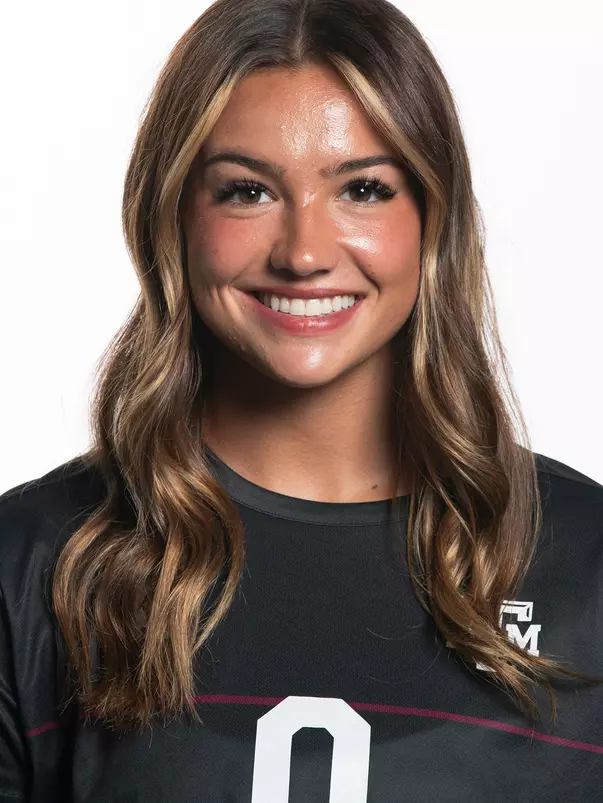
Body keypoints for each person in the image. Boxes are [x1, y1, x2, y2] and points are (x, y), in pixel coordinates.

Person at [1, 0, 602, 800]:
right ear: (173, 216)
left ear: (433, 217)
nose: (305, 252)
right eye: (247, 192)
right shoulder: (37, 563)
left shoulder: (587, 564)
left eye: (362, 188)